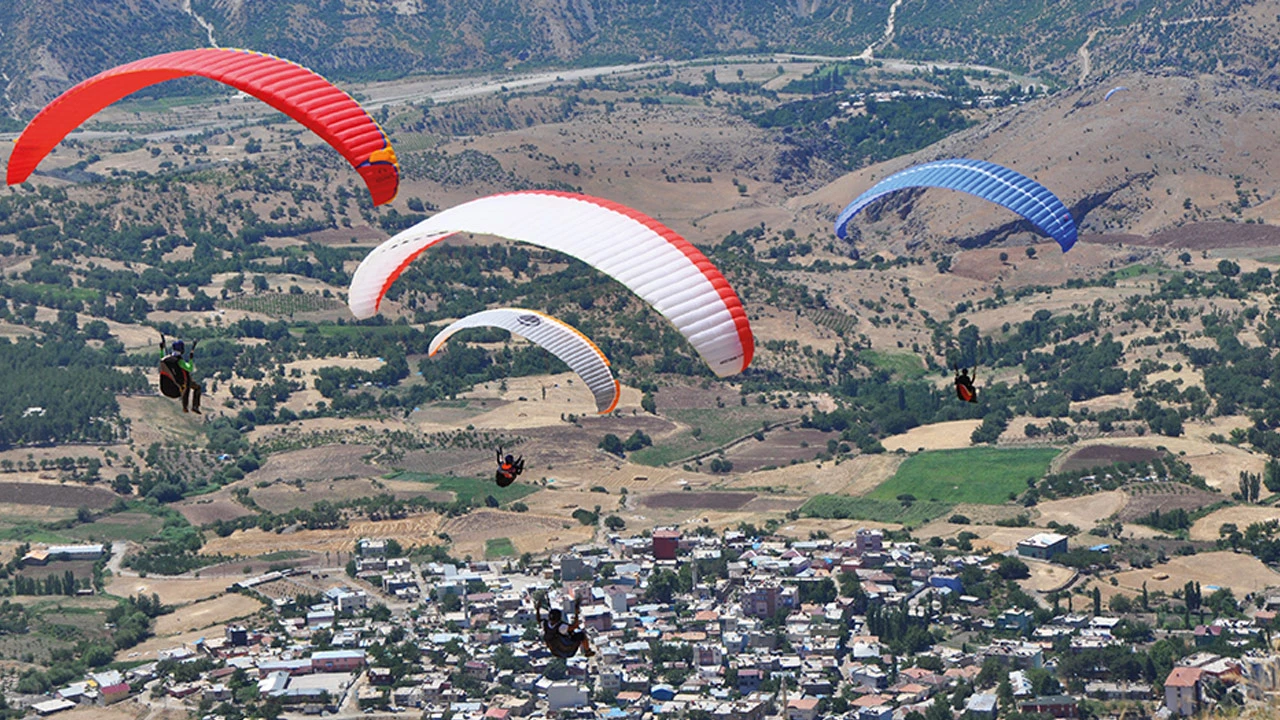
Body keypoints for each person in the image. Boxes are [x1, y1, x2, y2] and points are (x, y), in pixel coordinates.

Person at [160, 335, 203, 414]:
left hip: (165, 388)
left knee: (187, 382)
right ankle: (193, 406)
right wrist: (190, 359)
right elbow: (189, 368)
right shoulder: (180, 361)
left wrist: (161, 349)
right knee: (194, 385)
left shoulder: (165, 359)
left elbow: (162, 358)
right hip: (178, 389)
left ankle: (188, 407)